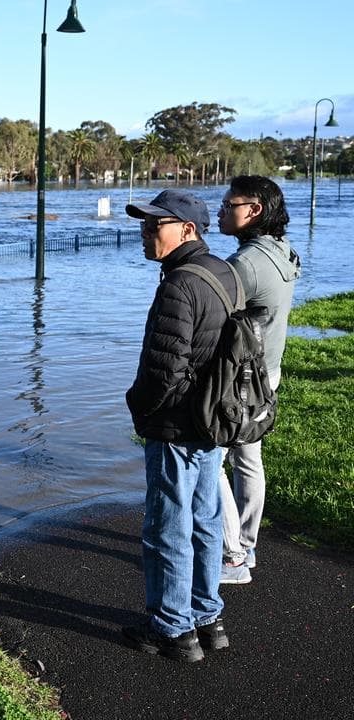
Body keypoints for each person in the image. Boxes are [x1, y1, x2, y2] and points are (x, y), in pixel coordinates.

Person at [122, 189, 237, 662]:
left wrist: (140, 408)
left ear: (186, 230)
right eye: (145, 225)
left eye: (156, 226)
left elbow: (163, 369)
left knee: (167, 525)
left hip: (176, 423)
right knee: (205, 519)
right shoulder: (224, 272)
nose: (146, 233)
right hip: (214, 418)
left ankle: (173, 630)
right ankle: (208, 617)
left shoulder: (179, 283)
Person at [215, 176, 302, 585]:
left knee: (210, 462)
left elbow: (214, 325)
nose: (220, 210)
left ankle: (232, 557)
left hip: (241, 379)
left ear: (254, 211)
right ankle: (245, 546)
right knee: (248, 459)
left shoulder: (244, 265)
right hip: (269, 370)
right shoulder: (282, 252)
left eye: (228, 203)